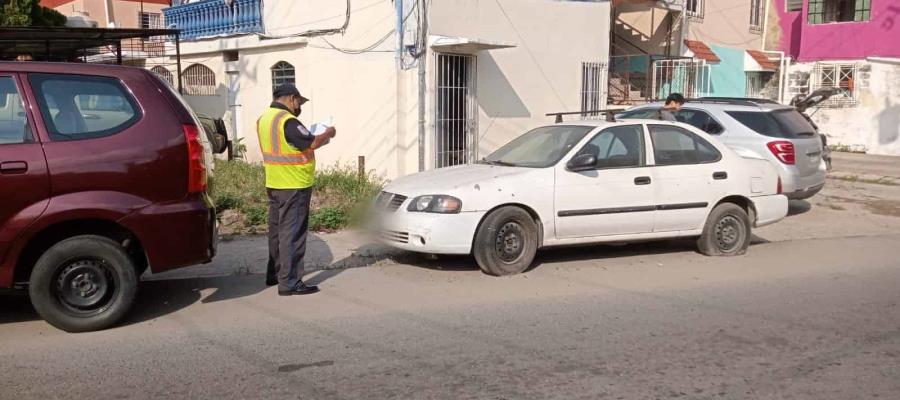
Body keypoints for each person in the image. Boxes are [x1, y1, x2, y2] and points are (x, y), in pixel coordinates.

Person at [259, 84, 336, 296]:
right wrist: (328, 132)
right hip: (294, 185)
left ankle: (275, 275)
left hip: (275, 183)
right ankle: (290, 282)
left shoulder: (264, 118)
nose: (299, 107)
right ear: (292, 98)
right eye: (299, 102)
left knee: (276, 232)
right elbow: (312, 143)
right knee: (292, 234)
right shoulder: (287, 121)